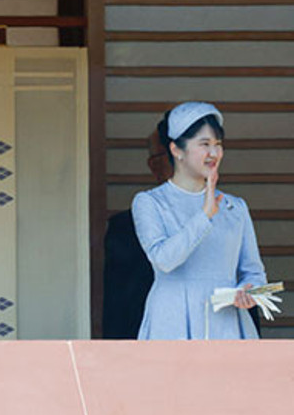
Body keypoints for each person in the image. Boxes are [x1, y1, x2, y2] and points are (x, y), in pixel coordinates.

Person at [132, 102, 266, 340]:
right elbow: (164, 259)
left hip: (227, 325)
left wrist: (250, 292)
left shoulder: (235, 207)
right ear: (177, 150)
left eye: (218, 145)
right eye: (204, 144)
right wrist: (204, 215)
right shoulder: (150, 202)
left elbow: (254, 273)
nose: (214, 154)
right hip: (171, 321)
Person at [103, 129, 172, 339]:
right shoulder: (125, 228)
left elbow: (253, 283)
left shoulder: (229, 212)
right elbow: (117, 306)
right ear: (154, 165)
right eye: (174, 157)